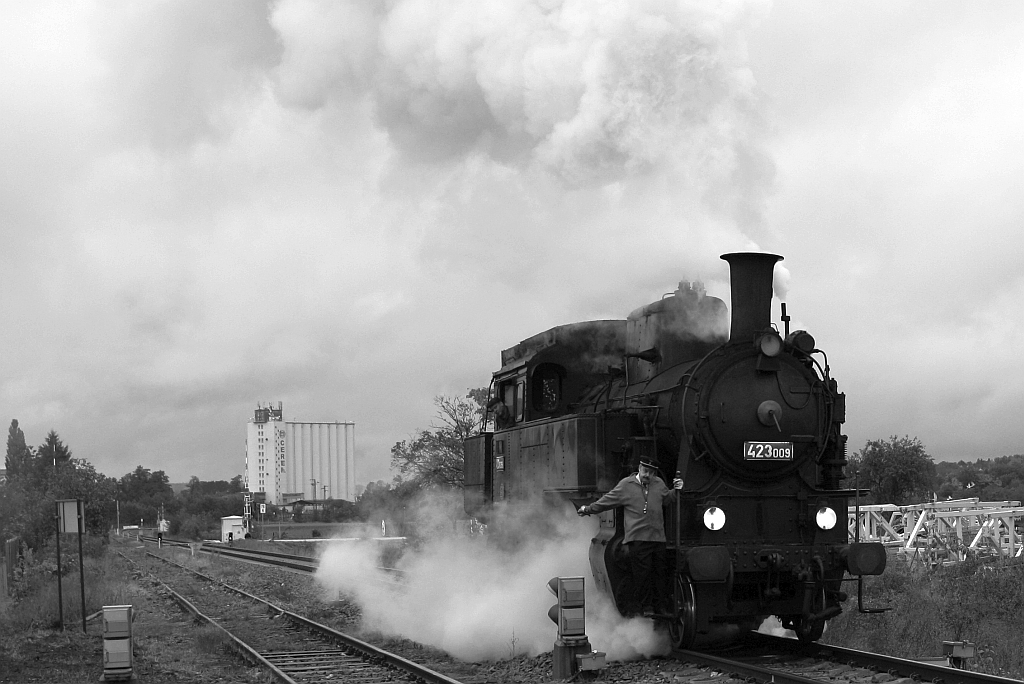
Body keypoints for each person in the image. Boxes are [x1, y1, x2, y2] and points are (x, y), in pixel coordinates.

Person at [578, 457, 684, 617]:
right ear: (640, 468)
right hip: (638, 538)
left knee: (660, 573)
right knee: (643, 574)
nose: (648, 474)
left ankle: (660, 606)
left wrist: (676, 490)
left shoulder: (659, 483)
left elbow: (667, 500)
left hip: (658, 537)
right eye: (645, 470)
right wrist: (589, 509)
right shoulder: (626, 485)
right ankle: (646, 606)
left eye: (651, 472)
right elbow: (608, 500)